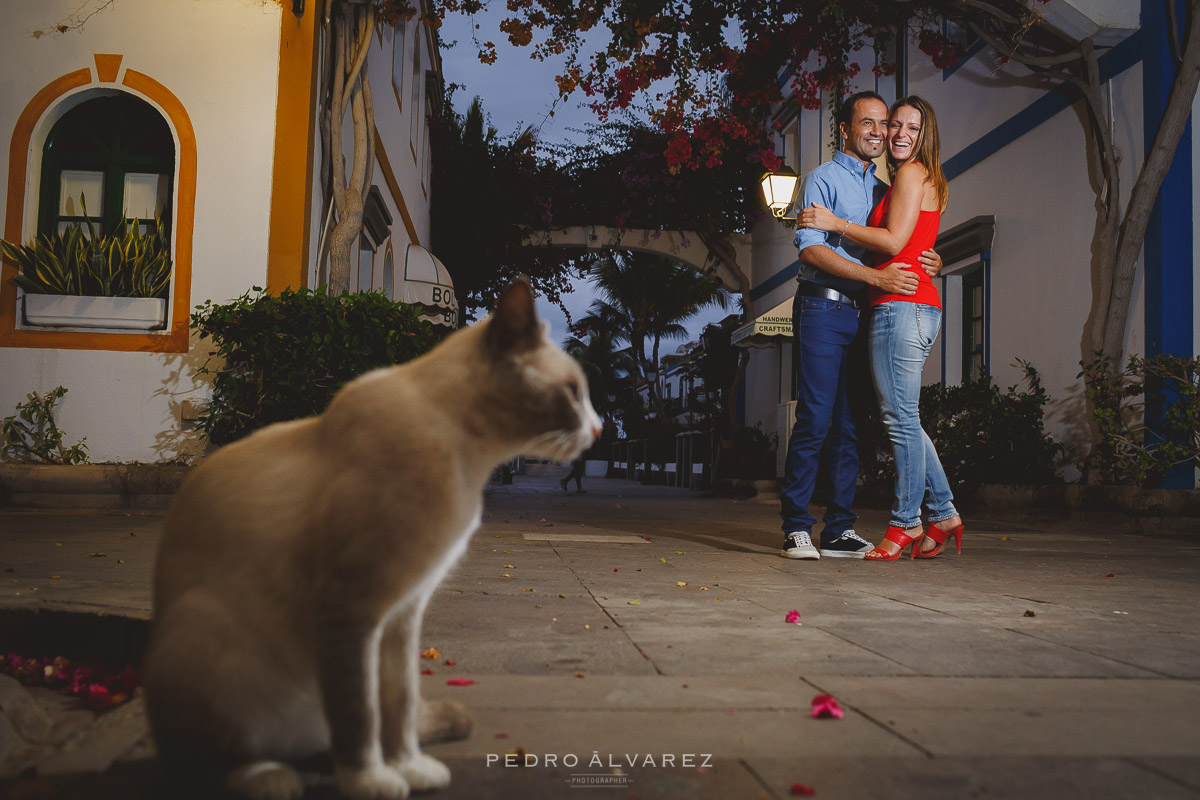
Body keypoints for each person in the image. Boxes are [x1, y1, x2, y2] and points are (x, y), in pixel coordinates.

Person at [797, 95, 964, 560]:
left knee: (899, 419)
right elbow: (911, 240)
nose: (898, 134)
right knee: (904, 418)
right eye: (895, 125)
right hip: (901, 303)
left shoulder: (909, 173)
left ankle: (906, 522)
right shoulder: (896, 179)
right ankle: (945, 512)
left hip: (901, 304)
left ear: (925, 135)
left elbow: (892, 240)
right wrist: (931, 255)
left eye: (912, 127)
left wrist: (836, 222)